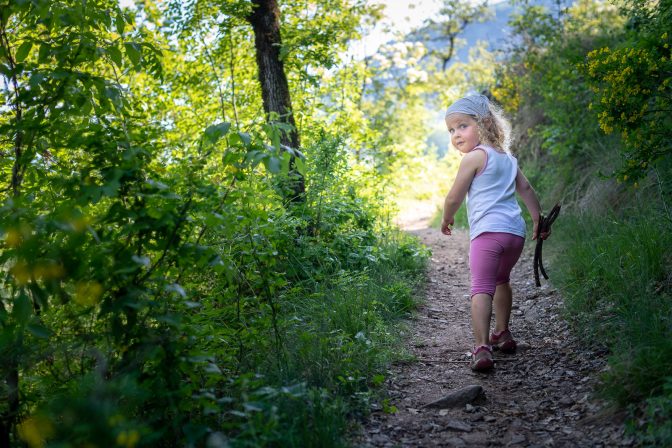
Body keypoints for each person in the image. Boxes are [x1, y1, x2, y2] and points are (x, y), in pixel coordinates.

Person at [440, 94, 548, 372]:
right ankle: (502, 332)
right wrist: (538, 218)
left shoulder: (475, 157)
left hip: (488, 233)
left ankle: (481, 347)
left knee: (481, 287)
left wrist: (447, 217)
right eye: (451, 130)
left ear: (485, 123)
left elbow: (454, 196)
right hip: (514, 234)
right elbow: (526, 190)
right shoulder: (507, 158)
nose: (456, 135)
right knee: (502, 280)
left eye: (462, 126)